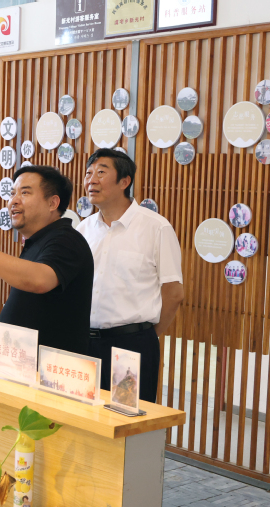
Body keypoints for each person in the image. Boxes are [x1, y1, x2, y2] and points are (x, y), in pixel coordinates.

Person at [76, 149, 184, 405]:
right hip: (84, 343)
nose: (91, 180)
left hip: (131, 346)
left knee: (124, 420)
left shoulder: (156, 227)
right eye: (88, 173)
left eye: (101, 172)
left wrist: (145, 336)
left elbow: (174, 293)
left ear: (125, 181)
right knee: (83, 416)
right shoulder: (83, 229)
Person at [0, 165, 93, 354]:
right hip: (21, 360)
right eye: (12, 194)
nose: (13, 201)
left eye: (25, 193)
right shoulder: (38, 241)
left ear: (52, 203)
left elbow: (40, 279)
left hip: (52, 366)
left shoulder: (67, 240)